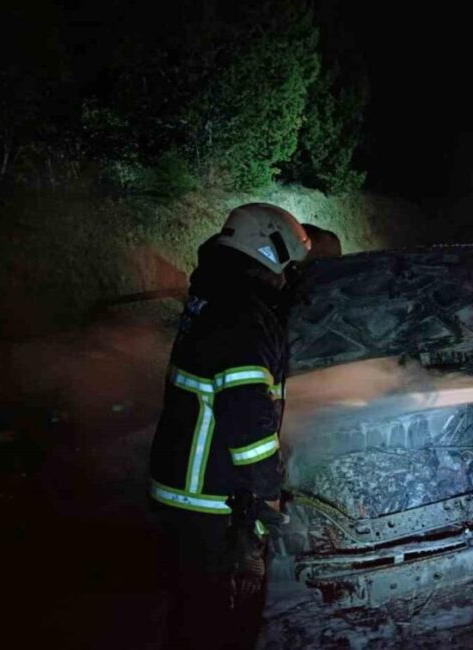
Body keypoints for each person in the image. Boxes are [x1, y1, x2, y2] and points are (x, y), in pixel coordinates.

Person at [147, 203, 311, 650]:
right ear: (270, 251)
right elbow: (247, 415)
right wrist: (270, 489)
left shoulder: (214, 296)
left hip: (184, 493)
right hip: (211, 503)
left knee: (191, 617)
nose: (289, 279)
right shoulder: (243, 314)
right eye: (289, 266)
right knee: (221, 627)